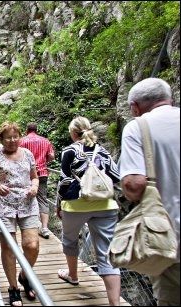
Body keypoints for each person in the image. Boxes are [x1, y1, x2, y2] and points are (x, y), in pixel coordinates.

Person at [119, 78, 180, 306]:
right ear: (170, 97)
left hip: (169, 238)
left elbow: (134, 185)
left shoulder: (138, 127)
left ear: (135, 107)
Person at [56, 116, 121, 306]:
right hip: (105, 205)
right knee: (106, 252)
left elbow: (64, 181)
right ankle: (115, 303)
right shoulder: (102, 150)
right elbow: (116, 176)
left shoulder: (70, 151)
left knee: (69, 239)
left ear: (74, 133)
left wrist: (58, 204)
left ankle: (73, 275)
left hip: (76, 204)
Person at [0, 122, 40, 305]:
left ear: (20, 137)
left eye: (15, 136)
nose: (12, 140)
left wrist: (34, 187)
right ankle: (13, 287)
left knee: (31, 245)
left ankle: (25, 276)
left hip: (27, 203)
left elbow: (34, 177)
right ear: (1, 139)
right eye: (8, 137)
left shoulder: (28, 154)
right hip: (4, 204)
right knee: (9, 247)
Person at [20, 123, 55, 239]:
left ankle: (29, 226)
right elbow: (51, 156)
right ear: (37, 129)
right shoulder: (45, 141)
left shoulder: (22, 141)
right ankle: (44, 228)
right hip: (42, 173)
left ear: (27, 130)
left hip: (27, 174)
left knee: (27, 198)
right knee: (43, 200)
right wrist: (44, 162)